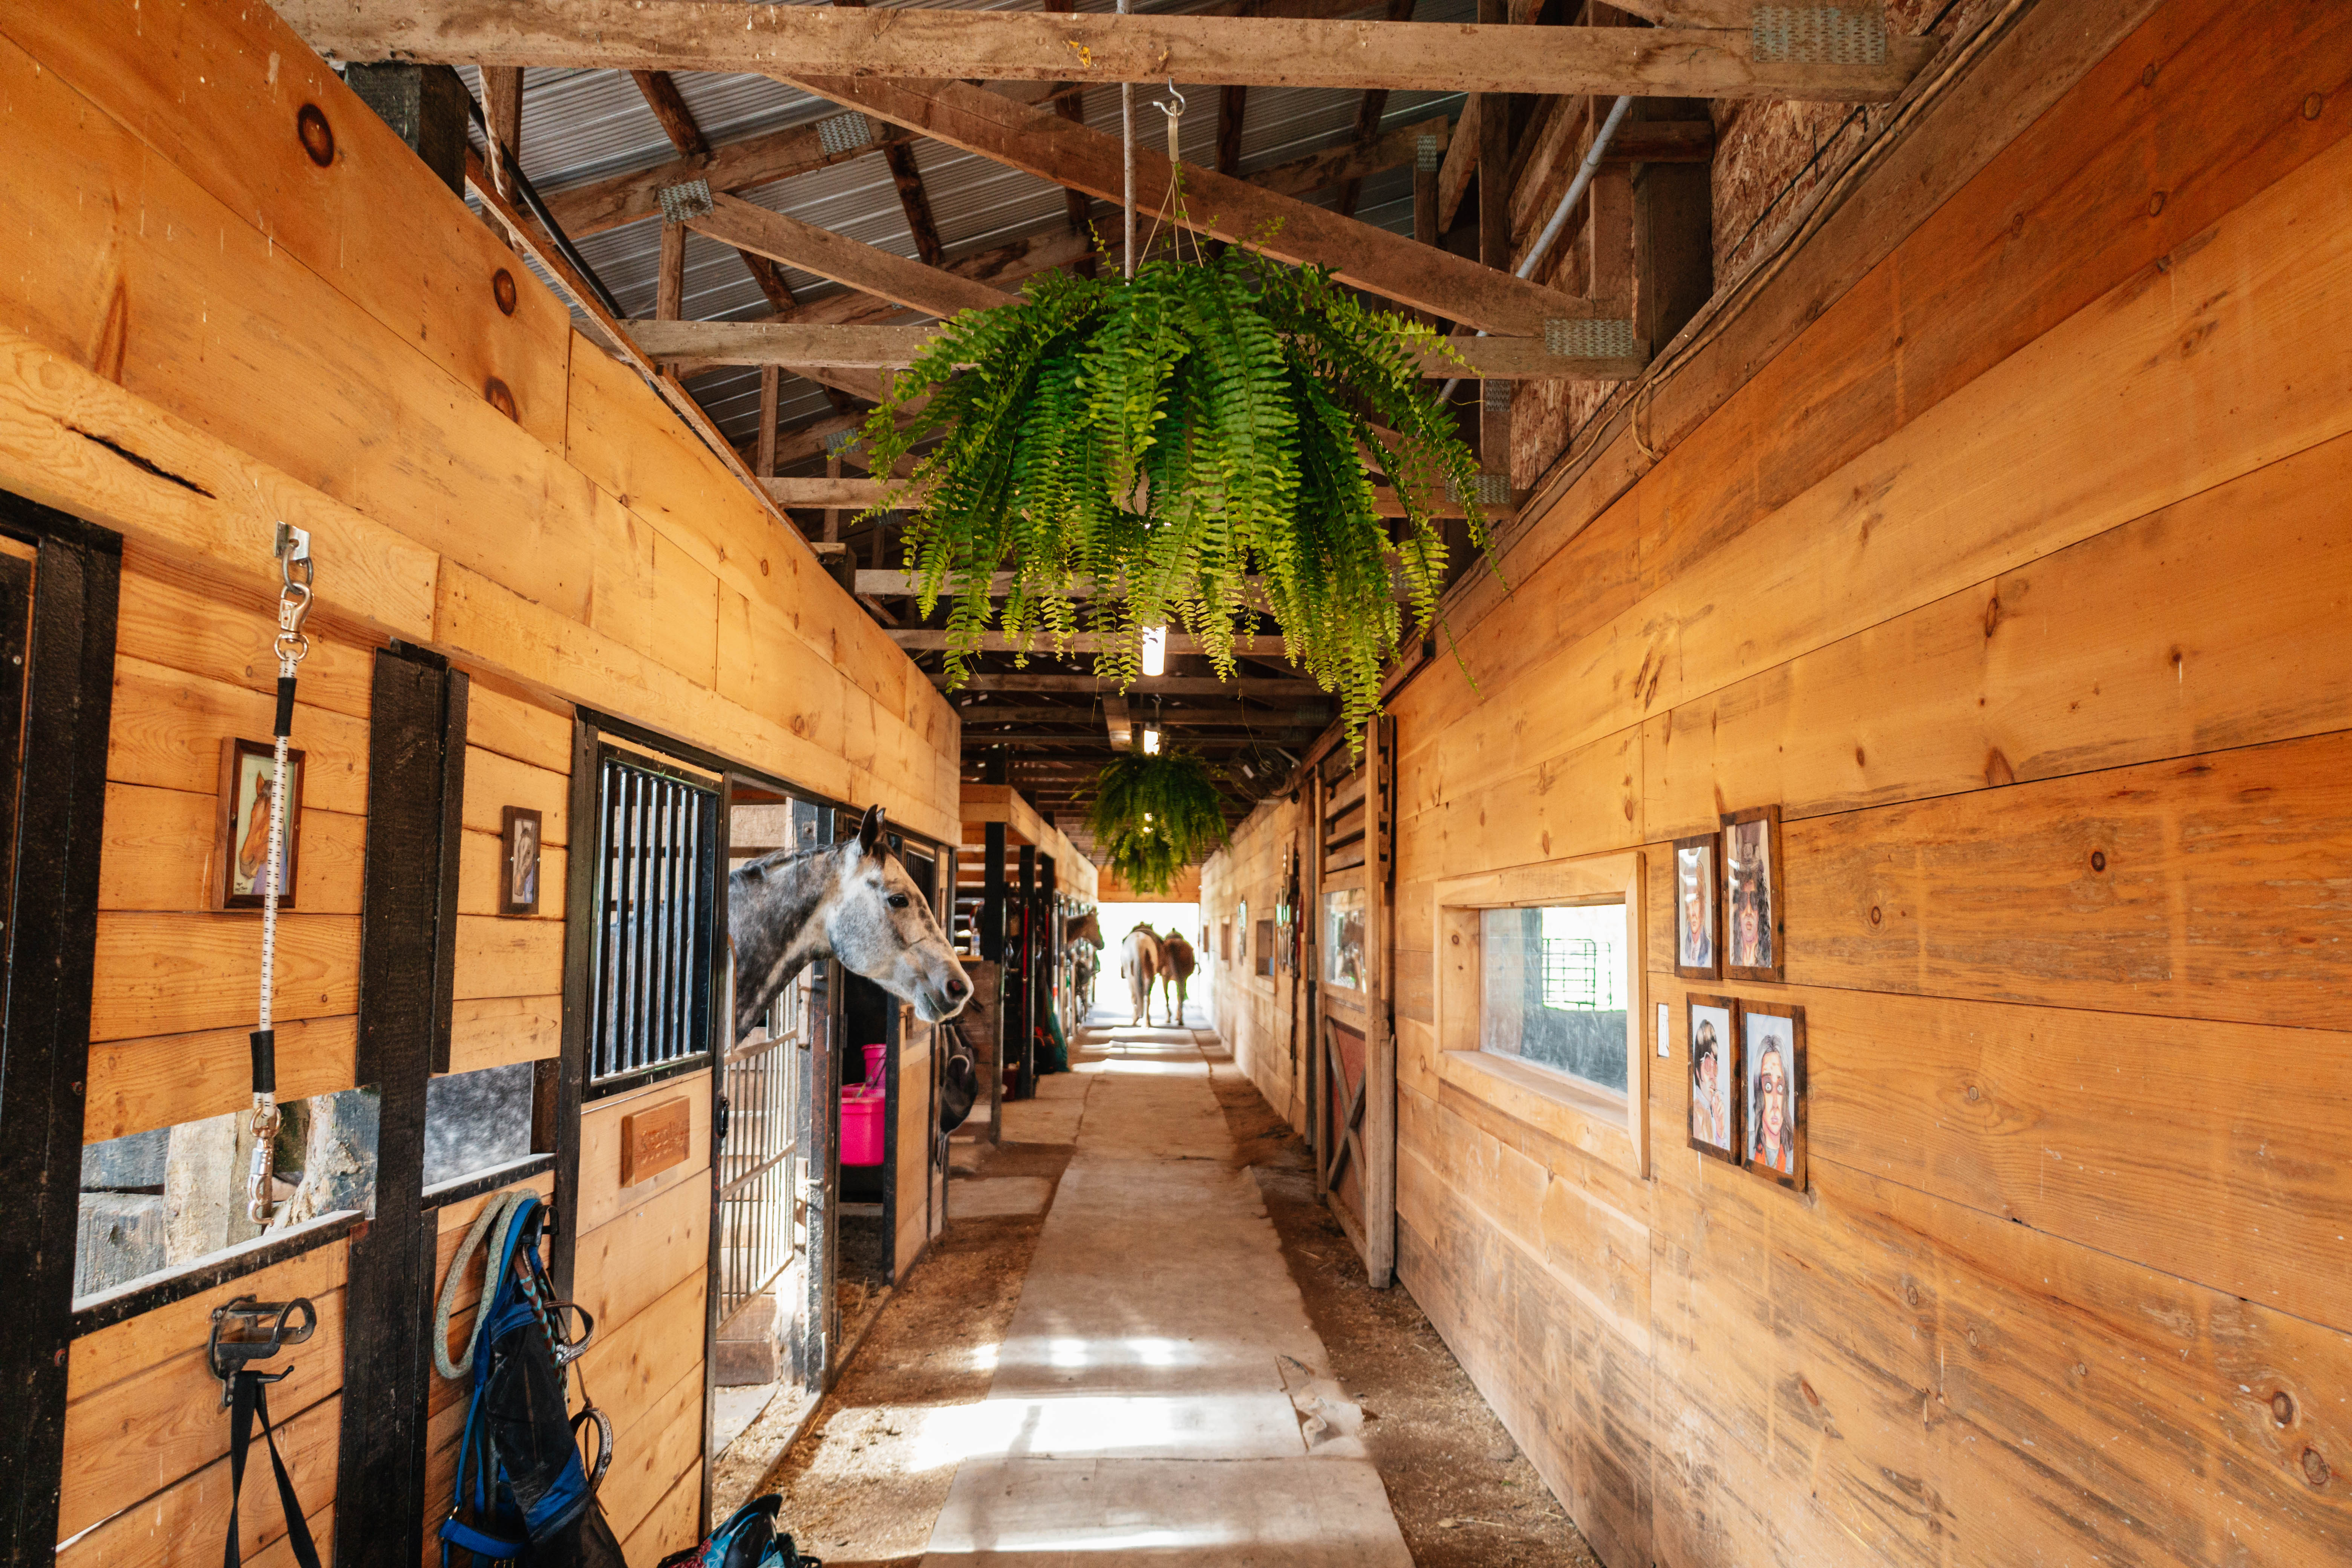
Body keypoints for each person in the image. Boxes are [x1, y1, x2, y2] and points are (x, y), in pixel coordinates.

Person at [1751, 1038, 1794, 1174]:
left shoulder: (1794, 1152)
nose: (1775, 1104)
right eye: (1768, 1086)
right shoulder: (1748, 1145)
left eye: (1780, 1088)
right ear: (1759, 1090)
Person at [1690, 1021, 1728, 1147]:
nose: (1713, 1076)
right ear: (1697, 1071)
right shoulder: (1697, 1116)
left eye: (1715, 1067)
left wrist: (1720, 1130)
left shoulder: (1710, 1113)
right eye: (1707, 1066)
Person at [1729, 868, 1771, 969]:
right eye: (1743, 902)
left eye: (1754, 901)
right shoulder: (1734, 962)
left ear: (1761, 911)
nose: (1749, 912)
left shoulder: (1768, 962)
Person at [1679, 858, 1713, 968]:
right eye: (1690, 900)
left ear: (1703, 903)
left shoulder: (1709, 950)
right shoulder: (1684, 949)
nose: (1693, 912)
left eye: (1697, 899)